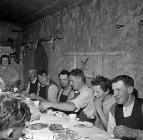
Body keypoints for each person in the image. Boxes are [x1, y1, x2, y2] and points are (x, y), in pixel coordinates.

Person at [107, 75, 143, 140]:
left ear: (129, 90)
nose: (114, 94)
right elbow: (110, 134)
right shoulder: (113, 108)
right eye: (113, 90)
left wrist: (135, 133)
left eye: (118, 90)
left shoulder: (141, 107)